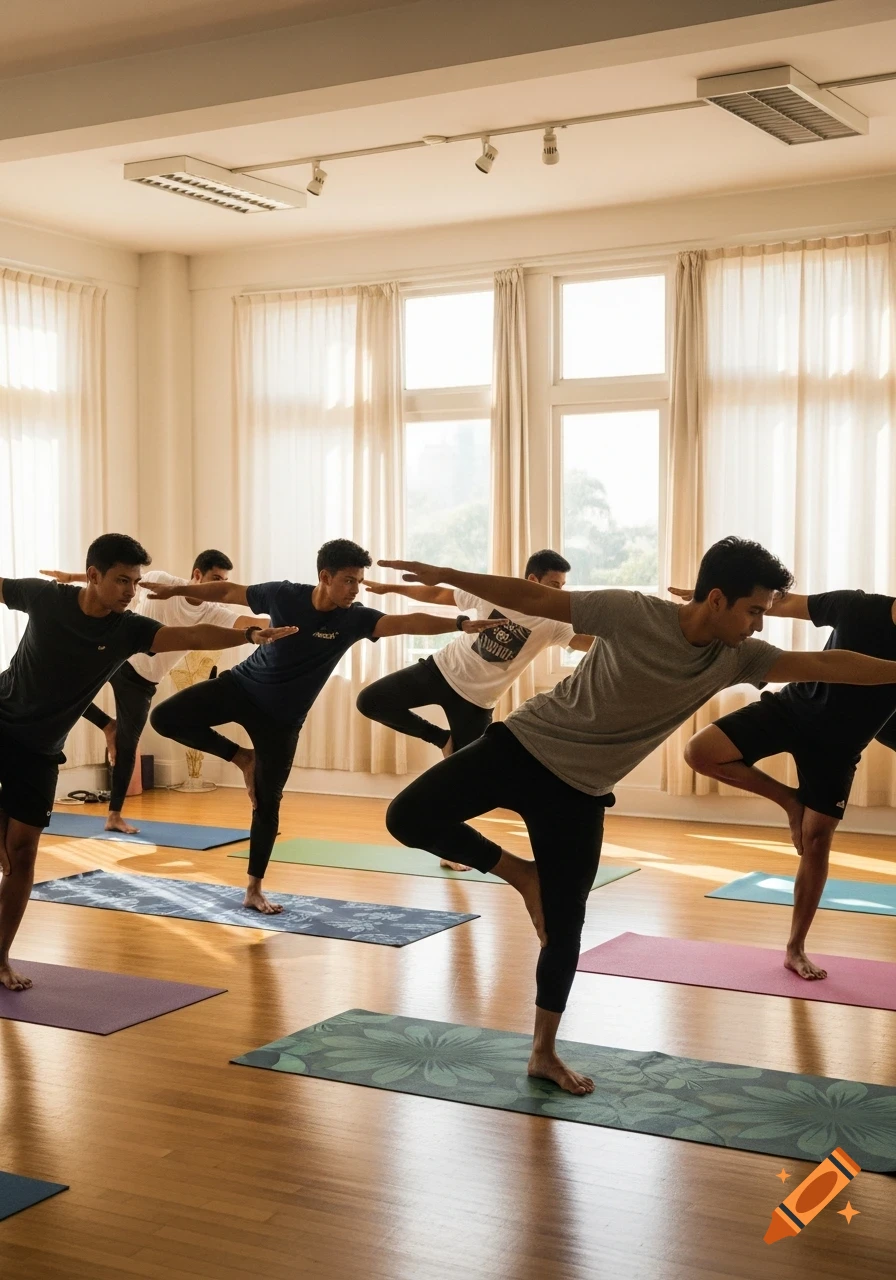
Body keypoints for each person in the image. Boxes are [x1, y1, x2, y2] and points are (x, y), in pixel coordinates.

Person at [380, 537, 896, 1096]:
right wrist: (446, 571)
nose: (759, 625)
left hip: (580, 792)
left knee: (565, 926)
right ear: (718, 599)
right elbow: (529, 598)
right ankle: (517, 871)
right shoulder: (631, 610)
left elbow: (826, 662)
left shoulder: (739, 658)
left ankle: (542, 1052)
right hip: (521, 746)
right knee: (407, 817)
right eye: (754, 611)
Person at [0, 533, 295, 992]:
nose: (130, 591)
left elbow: (193, 633)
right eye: (121, 580)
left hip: (40, 750)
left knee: (22, 854)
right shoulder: (45, 597)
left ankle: (0, 959)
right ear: (93, 575)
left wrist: (251, 635)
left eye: (135, 582)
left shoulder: (129, 628)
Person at [148, 539, 502, 915]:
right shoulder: (283, 596)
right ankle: (242, 758)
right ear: (325, 577)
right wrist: (178, 589)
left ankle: (253, 890)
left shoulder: (355, 618)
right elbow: (227, 591)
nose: (355, 589)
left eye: (360, 581)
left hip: (281, 721)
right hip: (239, 688)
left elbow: (404, 622)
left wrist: (460, 623)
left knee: (267, 804)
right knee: (165, 718)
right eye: (348, 580)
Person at [681, 585, 896, 981]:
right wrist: (708, 605)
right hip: (791, 710)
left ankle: (795, 949)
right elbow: (784, 603)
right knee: (699, 751)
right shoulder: (857, 607)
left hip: (838, 750)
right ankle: (789, 802)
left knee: (817, 839)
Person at [359, 550, 593, 870]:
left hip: (476, 703)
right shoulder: (495, 592)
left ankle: (451, 850)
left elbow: (587, 641)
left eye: (563, 586)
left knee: (461, 786)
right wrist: (393, 589)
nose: (559, 593)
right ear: (532, 580)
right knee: (370, 700)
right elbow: (439, 593)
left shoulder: (553, 622)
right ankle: (441, 738)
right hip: (439, 671)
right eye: (554, 584)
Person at [41, 550, 267, 834]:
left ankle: (114, 816)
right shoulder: (161, 582)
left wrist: (296, 626)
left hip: (142, 681)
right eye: (215, 578)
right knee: (62, 685)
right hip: (117, 658)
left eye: (223, 581)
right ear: (197, 574)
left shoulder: (214, 611)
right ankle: (106, 724)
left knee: (127, 746)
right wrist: (71, 577)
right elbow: (118, 581)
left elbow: (249, 624)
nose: (217, 586)